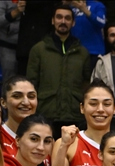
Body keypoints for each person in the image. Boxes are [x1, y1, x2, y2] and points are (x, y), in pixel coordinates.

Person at [26, 4, 92, 137]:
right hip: (46, 113)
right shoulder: (39, 49)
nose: (63, 21)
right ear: (52, 20)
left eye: (67, 18)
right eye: (59, 17)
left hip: (75, 115)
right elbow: (31, 83)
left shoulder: (82, 52)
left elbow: (87, 84)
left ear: (73, 23)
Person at [0, 76, 39, 161]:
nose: (26, 102)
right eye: (17, 96)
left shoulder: (46, 139)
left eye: (31, 96)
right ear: (3, 102)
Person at [0, 0, 25, 79]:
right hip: (8, 46)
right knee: (10, 80)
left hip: (29, 46)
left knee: (28, 80)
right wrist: (16, 11)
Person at [68, 0, 106, 65]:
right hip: (75, 50)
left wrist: (85, 10)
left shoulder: (97, 5)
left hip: (94, 51)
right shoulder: (70, 7)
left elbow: (102, 22)